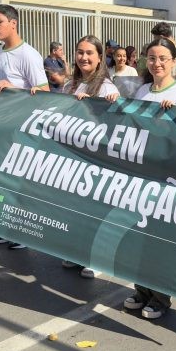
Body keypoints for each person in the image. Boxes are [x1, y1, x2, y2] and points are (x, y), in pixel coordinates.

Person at [123, 37, 176, 320]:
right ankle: (141, 290)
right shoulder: (142, 91)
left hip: (170, 177)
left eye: (163, 58)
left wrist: (175, 117)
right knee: (138, 235)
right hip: (142, 174)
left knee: (159, 239)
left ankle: (160, 297)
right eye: (152, 58)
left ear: (173, 62)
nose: (157, 63)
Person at [0, 4, 49, 249]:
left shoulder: (28, 55)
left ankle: (20, 232)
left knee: (17, 182)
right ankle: (1, 225)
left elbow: (44, 92)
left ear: (13, 23)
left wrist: (15, 89)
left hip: (20, 129)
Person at [62, 35, 119, 279]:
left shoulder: (107, 87)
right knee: (75, 208)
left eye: (89, 53)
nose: (83, 57)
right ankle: (77, 253)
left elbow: (114, 125)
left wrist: (93, 107)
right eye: (80, 52)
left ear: (99, 58)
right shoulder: (69, 85)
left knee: (94, 210)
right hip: (72, 156)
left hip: (96, 159)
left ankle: (97, 259)